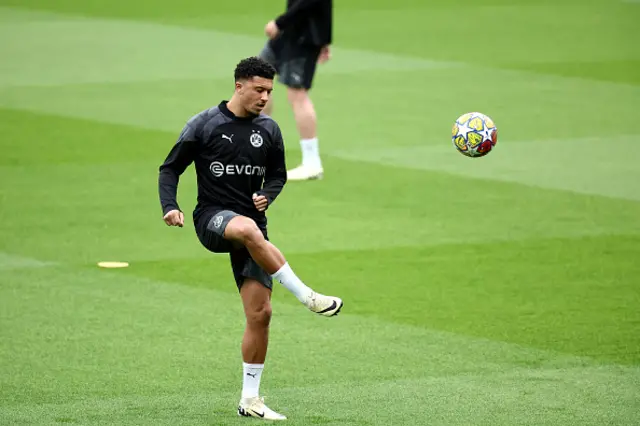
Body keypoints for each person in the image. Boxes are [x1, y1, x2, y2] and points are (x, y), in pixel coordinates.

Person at [157, 56, 343, 421]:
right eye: (258, 89)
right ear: (239, 85)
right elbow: (170, 167)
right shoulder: (204, 124)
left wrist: (268, 195)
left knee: (261, 314)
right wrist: (170, 206)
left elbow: (277, 176)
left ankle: (250, 399)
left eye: (269, 91)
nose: (264, 97)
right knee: (245, 228)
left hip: (255, 230)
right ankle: (307, 296)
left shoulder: (269, 130)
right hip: (212, 220)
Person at [259, 0, 333, 181]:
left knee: (297, 94)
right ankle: (258, 149)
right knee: (258, 76)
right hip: (290, 33)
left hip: (302, 37)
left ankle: (312, 163)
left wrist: (279, 23)